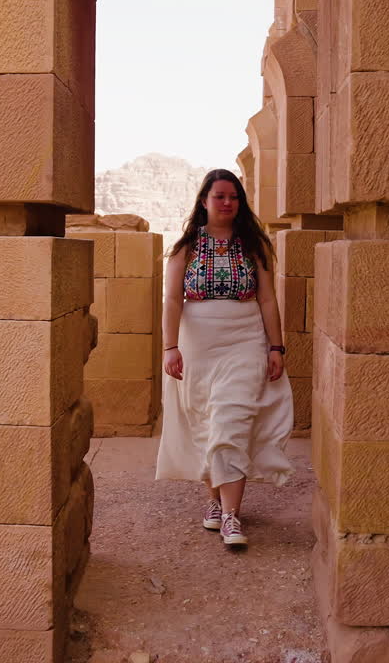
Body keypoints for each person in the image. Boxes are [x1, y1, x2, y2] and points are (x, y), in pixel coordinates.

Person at [155, 168, 294, 547]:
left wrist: (275, 347)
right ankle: (214, 502)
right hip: (199, 344)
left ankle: (232, 516)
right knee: (206, 423)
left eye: (234, 196)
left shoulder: (253, 246)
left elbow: (267, 299)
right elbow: (171, 300)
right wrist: (171, 347)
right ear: (204, 201)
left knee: (233, 420)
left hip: (245, 340)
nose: (227, 202)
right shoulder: (185, 247)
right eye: (220, 196)